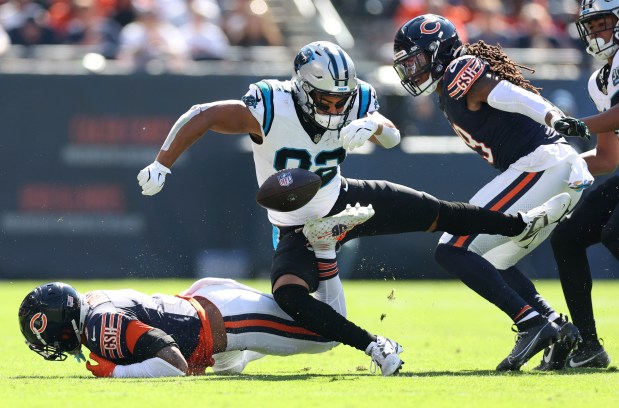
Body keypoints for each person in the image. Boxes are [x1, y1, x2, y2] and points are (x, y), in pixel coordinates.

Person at [137, 40, 573, 375]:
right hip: (299, 224)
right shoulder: (271, 106)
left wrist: (373, 126)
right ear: (303, 89)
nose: (333, 108)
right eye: (324, 100)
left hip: (344, 196)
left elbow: (391, 137)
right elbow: (205, 113)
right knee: (289, 295)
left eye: (339, 101)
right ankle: (373, 345)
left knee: (436, 212)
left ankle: (520, 222)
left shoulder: (355, 101)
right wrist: (162, 162)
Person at [392, 14, 593, 371]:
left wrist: (553, 117)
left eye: (416, 61)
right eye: (407, 65)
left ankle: (531, 324)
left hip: (541, 164)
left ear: (438, 52)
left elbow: (510, 95)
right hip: (550, 170)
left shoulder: (459, 70)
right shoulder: (449, 85)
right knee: (491, 260)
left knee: (452, 248)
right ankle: (557, 329)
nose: (412, 71)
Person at [18, 269, 351, 377]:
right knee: (229, 369)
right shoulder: (91, 303)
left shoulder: (100, 327)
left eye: (45, 337)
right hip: (207, 311)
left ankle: (323, 248)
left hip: (228, 323)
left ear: (60, 326)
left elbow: (174, 362)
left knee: (331, 335)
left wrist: (116, 372)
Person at [539, 0, 619, 371]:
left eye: (604, 22)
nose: (597, 31)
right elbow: (607, 158)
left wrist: (580, 124)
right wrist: (557, 166)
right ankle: (589, 346)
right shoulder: (598, 79)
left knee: (614, 234)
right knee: (568, 237)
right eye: (592, 24)